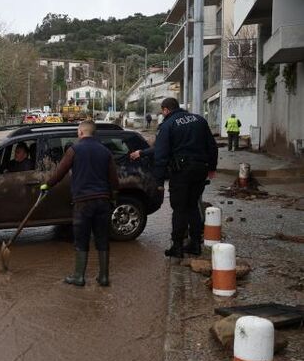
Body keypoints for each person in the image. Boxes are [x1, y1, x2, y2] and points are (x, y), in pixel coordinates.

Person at [134, 97, 218, 258]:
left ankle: (177, 247)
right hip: (200, 169)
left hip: (182, 172)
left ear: (165, 110)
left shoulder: (168, 125)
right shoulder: (199, 120)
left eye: (162, 111)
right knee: (192, 206)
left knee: (179, 209)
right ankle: (195, 244)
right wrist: (212, 168)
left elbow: (161, 154)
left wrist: (159, 181)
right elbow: (212, 145)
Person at [41, 120, 119, 287]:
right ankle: (104, 277)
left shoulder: (74, 150)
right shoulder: (105, 152)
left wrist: (47, 184)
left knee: (81, 238)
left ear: (81, 133)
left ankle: (79, 277)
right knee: (102, 238)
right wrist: (113, 197)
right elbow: (114, 180)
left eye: (78, 131)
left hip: (83, 203)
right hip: (103, 201)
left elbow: (59, 173)